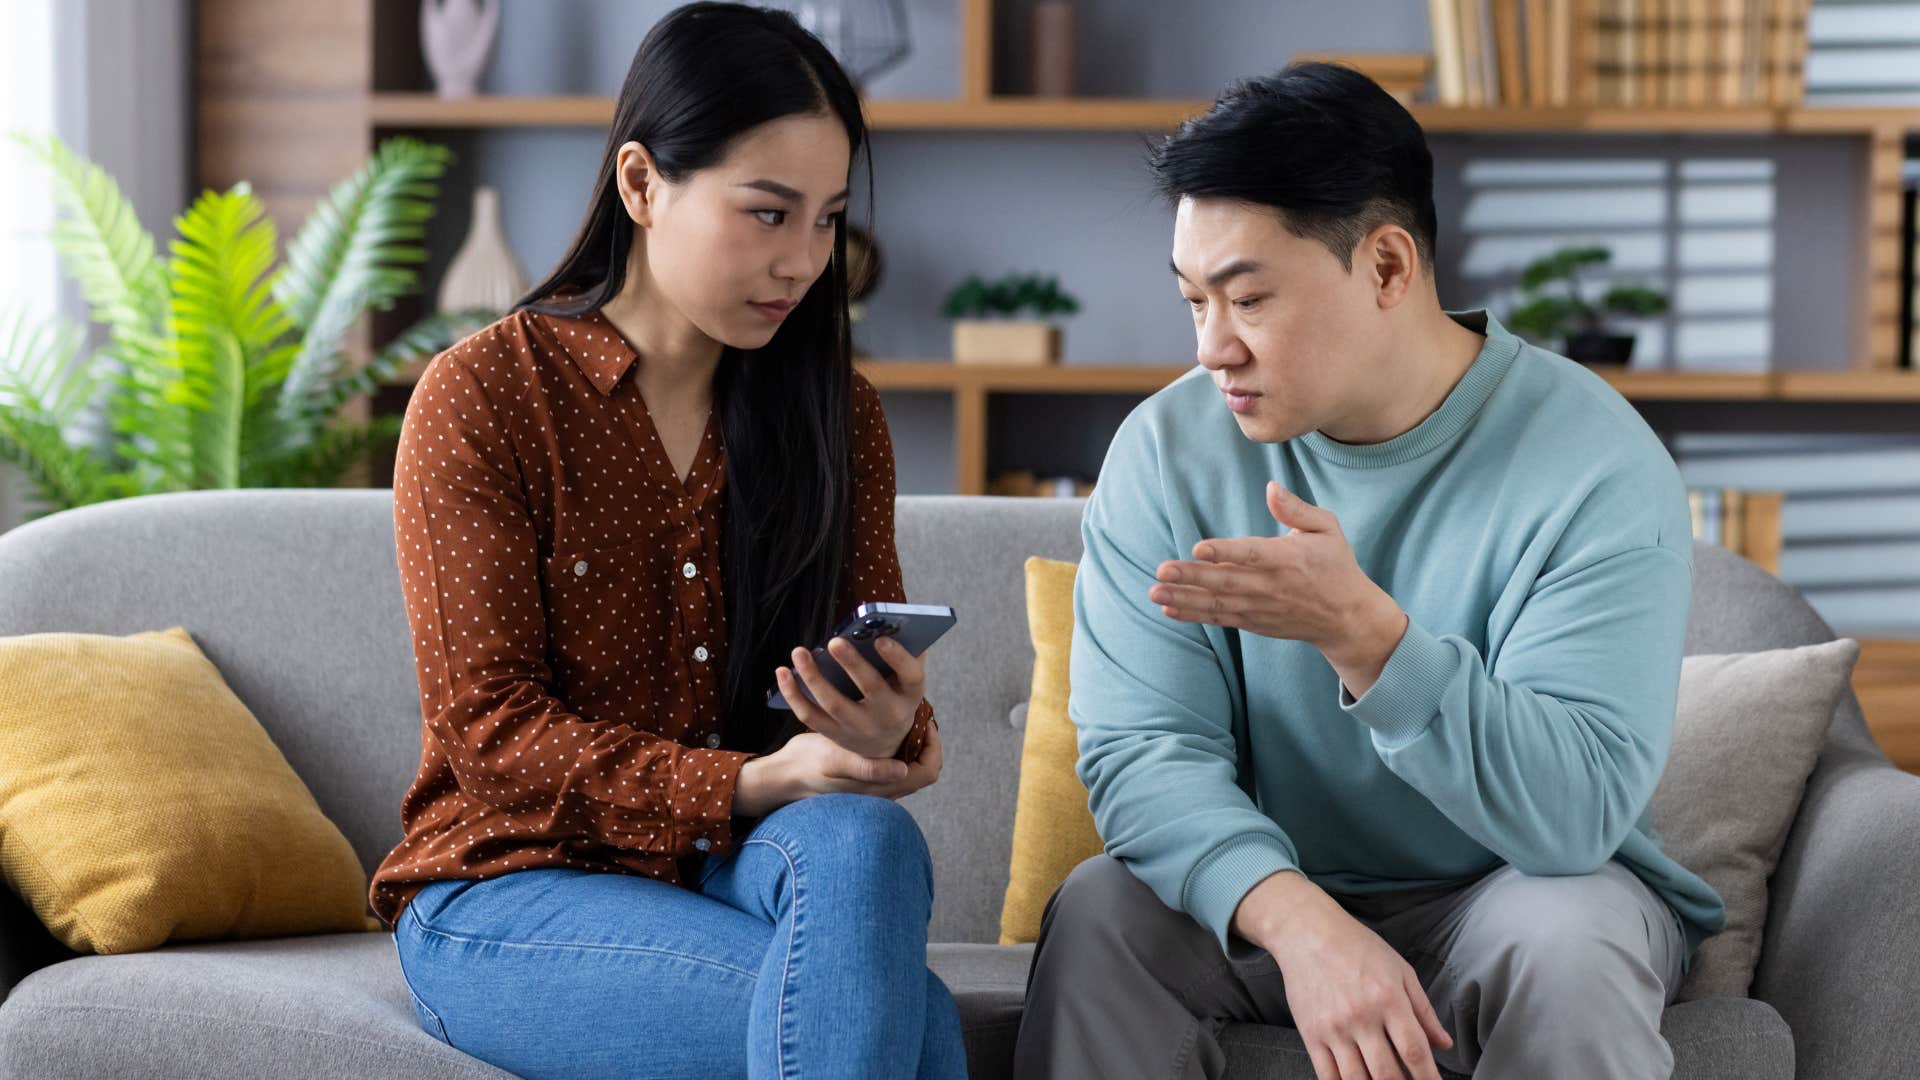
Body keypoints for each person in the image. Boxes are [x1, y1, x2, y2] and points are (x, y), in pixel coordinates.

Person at [1013, 62, 1725, 1080]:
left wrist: (1369, 641)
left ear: (1388, 267)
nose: (1213, 348)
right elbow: (1145, 755)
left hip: (1518, 886)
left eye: (1248, 298)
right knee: (1100, 911)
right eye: (1193, 301)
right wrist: (1300, 923)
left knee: (1575, 938)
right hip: (1270, 892)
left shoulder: (1594, 464)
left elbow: (1573, 820)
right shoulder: (1166, 452)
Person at [367, 5, 966, 1078]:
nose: (804, 260)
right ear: (641, 185)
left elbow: (853, 700)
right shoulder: (486, 397)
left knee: (870, 841)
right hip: (505, 885)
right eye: (768, 213)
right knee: (906, 1020)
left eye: (828, 220)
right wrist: (749, 784)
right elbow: (490, 737)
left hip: (726, 866)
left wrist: (881, 725)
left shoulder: (837, 412)